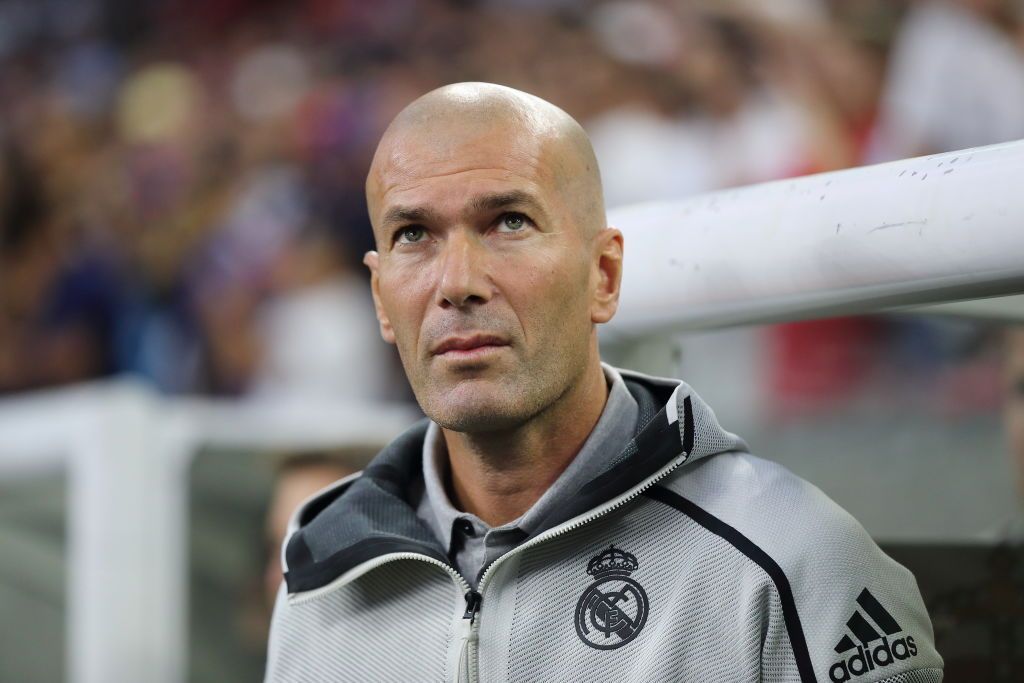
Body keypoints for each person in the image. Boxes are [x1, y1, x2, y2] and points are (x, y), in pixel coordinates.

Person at [265, 83, 943, 682]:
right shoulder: (322, 573)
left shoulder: (791, 560)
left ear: (604, 275)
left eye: (508, 221)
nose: (458, 283)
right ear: (382, 299)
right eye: (414, 234)